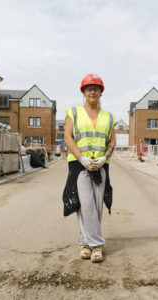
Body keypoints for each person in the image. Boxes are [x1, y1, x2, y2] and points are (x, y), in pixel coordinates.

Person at [63, 73, 115, 263]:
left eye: (96, 88)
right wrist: (81, 158)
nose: (92, 91)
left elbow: (112, 142)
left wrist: (105, 158)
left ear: (101, 92)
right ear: (83, 92)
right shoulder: (74, 112)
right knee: (85, 204)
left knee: (97, 205)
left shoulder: (109, 117)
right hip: (80, 166)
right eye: (89, 88)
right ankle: (97, 245)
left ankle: (84, 242)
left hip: (100, 166)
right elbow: (68, 137)